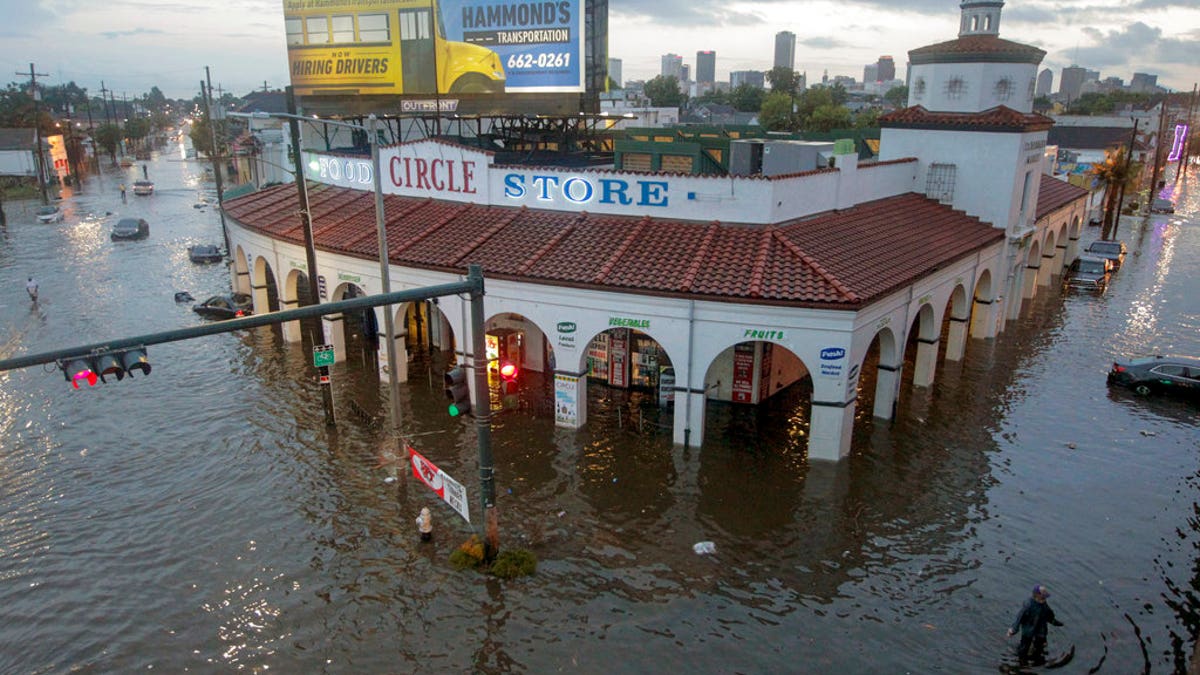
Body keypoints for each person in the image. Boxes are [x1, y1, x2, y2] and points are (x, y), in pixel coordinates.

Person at [1007, 584, 1063, 664]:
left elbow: (1049, 615)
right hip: (1028, 630)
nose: (1044, 598)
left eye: (1045, 596)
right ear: (1037, 595)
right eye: (1043, 596)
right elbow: (1019, 618)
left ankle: (1038, 659)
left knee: (1040, 645)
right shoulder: (1028, 605)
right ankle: (1021, 662)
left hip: (1041, 629)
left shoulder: (1044, 604)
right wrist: (1013, 629)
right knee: (1024, 647)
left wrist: (1055, 622)